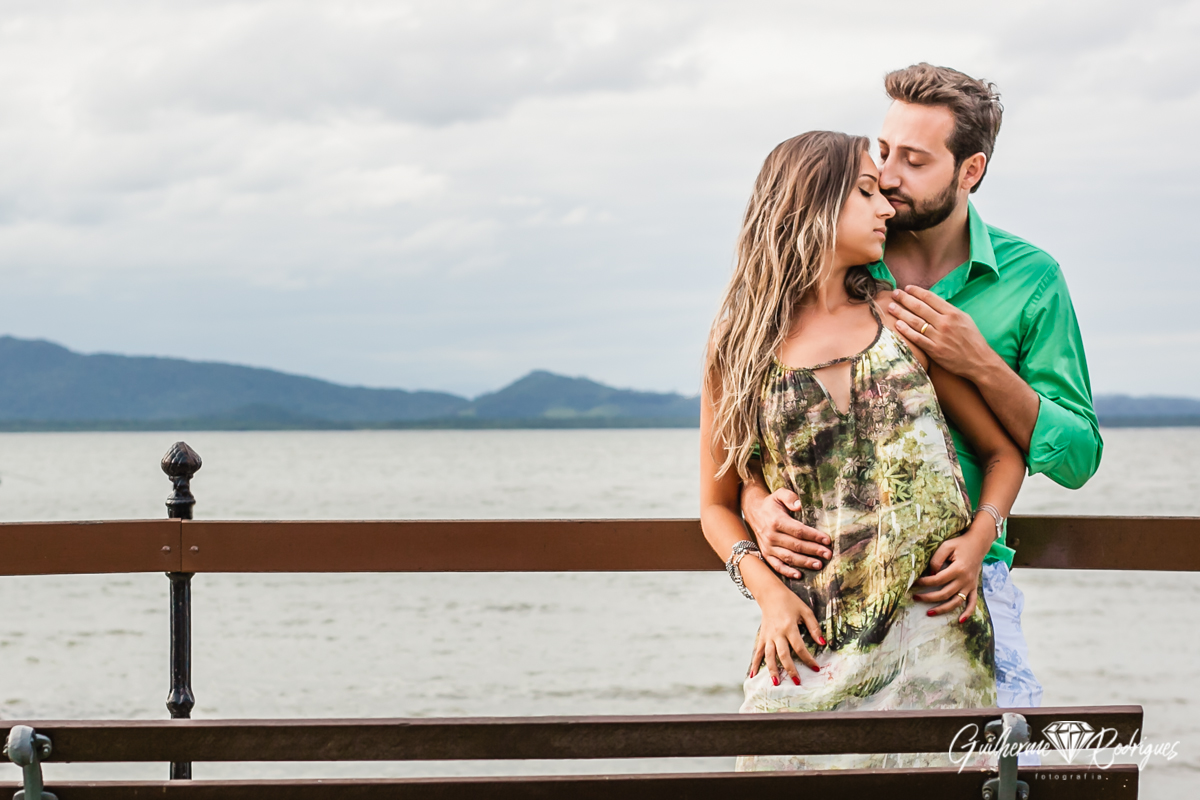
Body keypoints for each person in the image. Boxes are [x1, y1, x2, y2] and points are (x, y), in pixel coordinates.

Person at [740, 64, 1102, 712]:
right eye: (884, 153)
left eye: (914, 159)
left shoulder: (1033, 279)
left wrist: (982, 363)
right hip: (836, 588)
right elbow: (762, 429)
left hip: (960, 583)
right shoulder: (848, 253)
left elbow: (1075, 458)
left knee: (1000, 766)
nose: (889, 176)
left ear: (970, 170)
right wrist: (755, 503)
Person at [699, 130, 1027, 770]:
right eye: (867, 192)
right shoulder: (736, 346)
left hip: (936, 647)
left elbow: (1001, 454)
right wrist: (767, 592)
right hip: (804, 647)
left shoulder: (904, 319)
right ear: (812, 205)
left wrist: (980, 538)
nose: (886, 209)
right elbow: (716, 505)